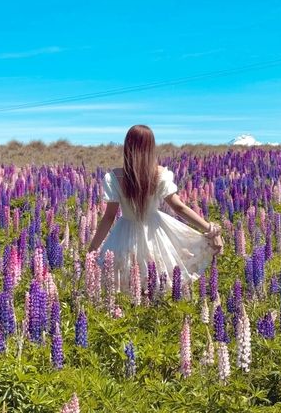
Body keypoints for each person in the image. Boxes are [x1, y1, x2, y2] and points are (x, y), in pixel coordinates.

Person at [88, 124, 223, 294]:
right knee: (159, 282)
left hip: (124, 232)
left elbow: (109, 218)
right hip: (157, 231)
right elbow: (179, 208)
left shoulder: (114, 177)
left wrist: (92, 250)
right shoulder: (159, 174)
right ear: (150, 147)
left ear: (127, 146)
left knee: (127, 285)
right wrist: (211, 230)